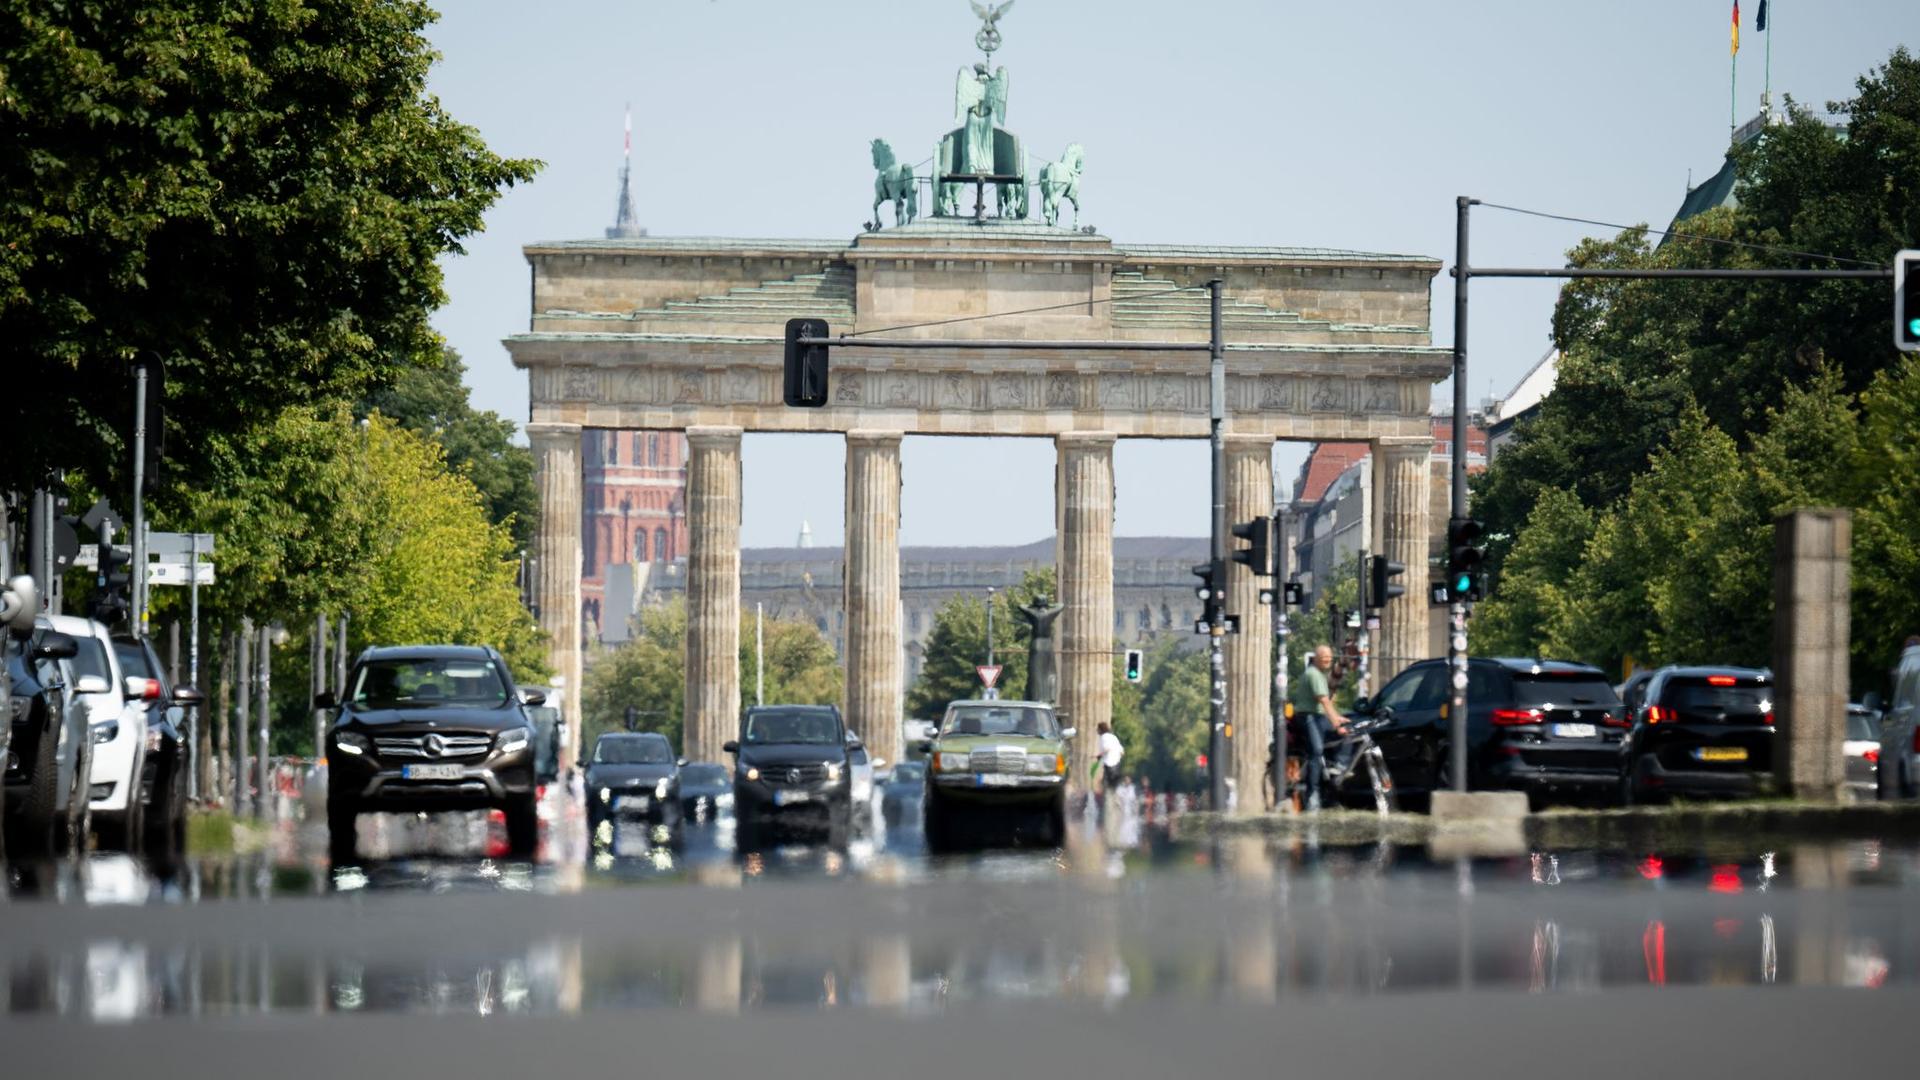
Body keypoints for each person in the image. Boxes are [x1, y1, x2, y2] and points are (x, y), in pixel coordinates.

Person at [1289, 644, 1351, 811]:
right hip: (1308, 717)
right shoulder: (1314, 675)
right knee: (1316, 752)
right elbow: (1323, 701)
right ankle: (1312, 794)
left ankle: (1337, 767)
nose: (1327, 659)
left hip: (1318, 715)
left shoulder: (1320, 674)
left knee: (1348, 734)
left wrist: (1338, 718)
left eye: (1330, 656)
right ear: (1315, 658)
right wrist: (1337, 724)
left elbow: (1327, 703)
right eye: (1324, 656)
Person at [1096, 722, 1125, 800]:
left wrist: (1099, 756)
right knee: (1113, 789)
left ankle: (1106, 807)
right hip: (1117, 766)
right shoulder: (1114, 737)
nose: (1097, 730)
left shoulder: (1103, 737)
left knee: (1106, 788)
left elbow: (1107, 748)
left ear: (1100, 729)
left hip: (1109, 766)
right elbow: (1122, 752)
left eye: (1098, 729)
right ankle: (1114, 806)